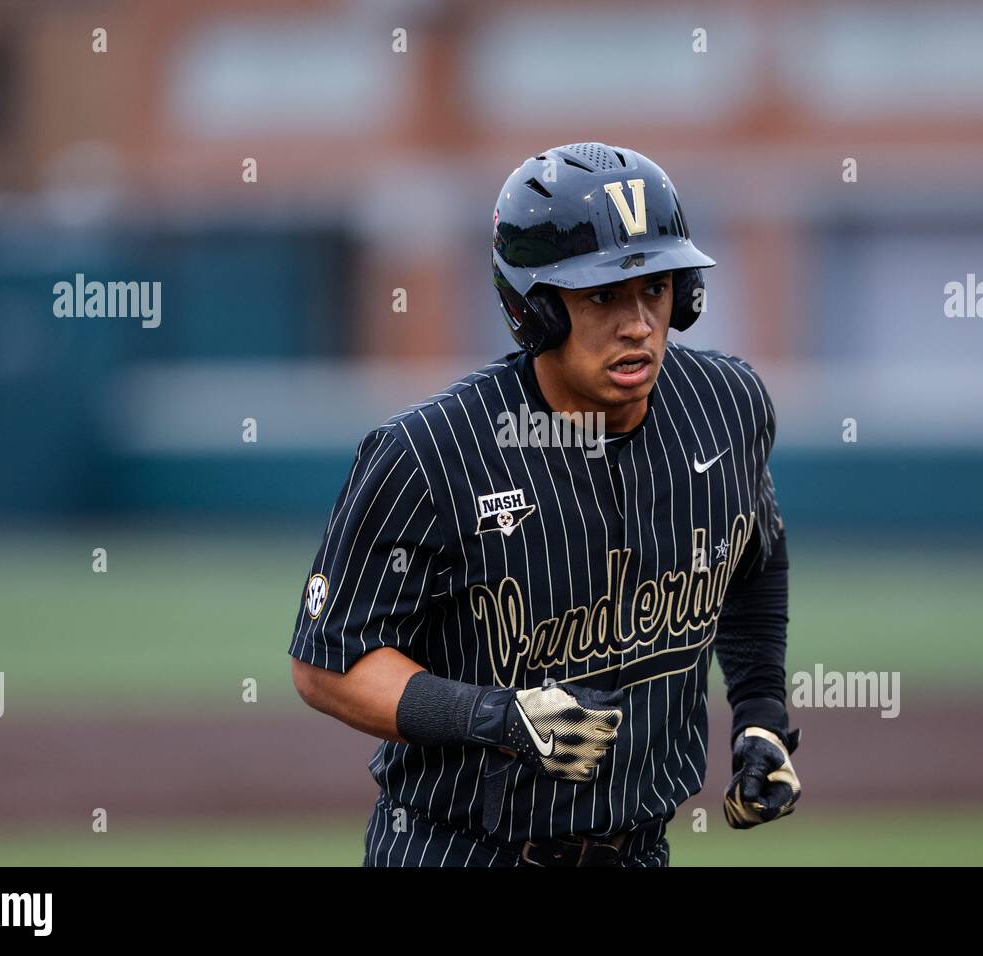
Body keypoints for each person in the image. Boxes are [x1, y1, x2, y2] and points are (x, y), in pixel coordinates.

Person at [289, 142, 801, 867]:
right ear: (534, 309)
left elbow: (753, 558)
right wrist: (498, 717)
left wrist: (760, 716)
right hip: (459, 850)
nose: (638, 324)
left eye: (655, 289)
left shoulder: (727, 407)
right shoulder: (430, 452)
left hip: (639, 851)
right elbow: (327, 666)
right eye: (602, 296)